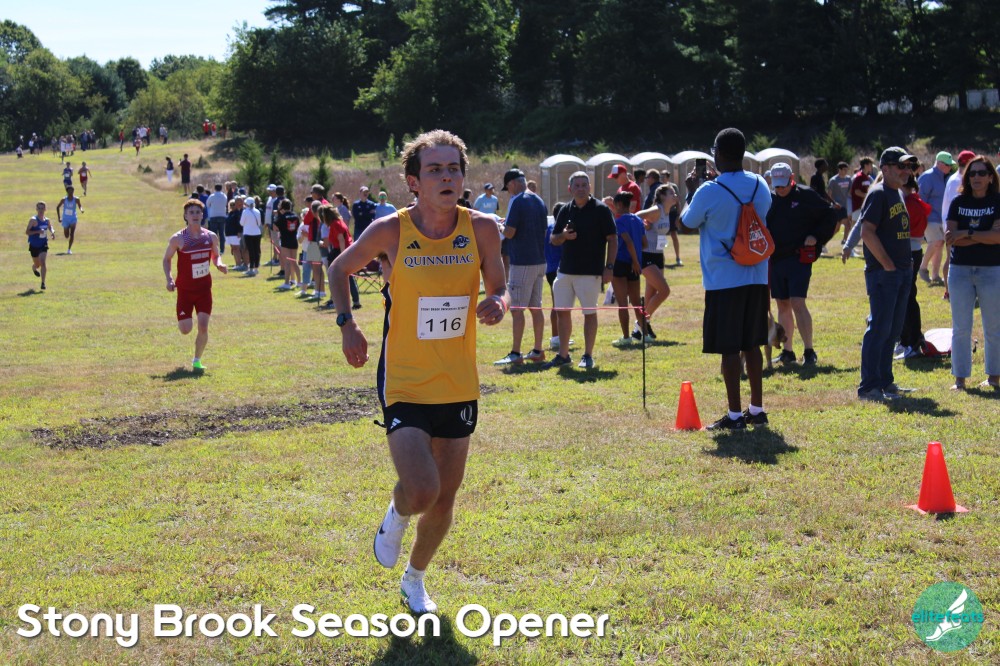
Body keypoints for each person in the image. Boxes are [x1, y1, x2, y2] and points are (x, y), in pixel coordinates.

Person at [328, 129, 508, 615]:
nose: (447, 177)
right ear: (414, 181)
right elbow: (339, 269)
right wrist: (348, 324)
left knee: (445, 498)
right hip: (405, 377)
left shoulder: (482, 228)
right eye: (435, 170)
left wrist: (498, 302)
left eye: (454, 169)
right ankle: (398, 509)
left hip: (458, 380)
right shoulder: (391, 230)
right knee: (422, 489)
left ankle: (415, 579)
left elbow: (499, 286)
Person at [680, 127, 772, 429]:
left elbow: (687, 222)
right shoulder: (760, 184)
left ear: (717, 154)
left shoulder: (708, 190)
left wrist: (691, 191)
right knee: (753, 344)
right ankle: (756, 409)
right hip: (757, 275)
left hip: (723, 279)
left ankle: (734, 416)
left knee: (729, 348)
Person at [857, 147, 916, 402]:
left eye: (908, 167)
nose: (906, 171)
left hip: (901, 272)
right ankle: (869, 387)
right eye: (901, 166)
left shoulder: (897, 193)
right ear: (886, 168)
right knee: (879, 329)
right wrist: (888, 264)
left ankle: (885, 382)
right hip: (884, 274)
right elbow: (867, 232)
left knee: (892, 330)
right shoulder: (879, 193)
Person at [765, 162, 838, 366]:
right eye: (777, 185)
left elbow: (831, 215)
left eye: (784, 184)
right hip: (776, 259)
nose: (780, 189)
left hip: (798, 258)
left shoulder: (806, 195)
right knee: (782, 304)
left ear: (792, 179)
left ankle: (809, 351)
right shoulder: (769, 199)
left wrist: (816, 236)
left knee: (798, 302)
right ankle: (787, 351)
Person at [545, 171, 618, 370]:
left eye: (584, 185)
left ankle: (587, 355)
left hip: (590, 272)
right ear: (570, 189)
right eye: (576, 185)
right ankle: (563, 355)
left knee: (589, 313)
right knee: (562, 312)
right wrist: (563, 236)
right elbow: (553, 239)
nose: (581, 189)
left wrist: (609, 267)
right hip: (565, 271)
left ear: (590, 187)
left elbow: (613, 239)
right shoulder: (565, 210)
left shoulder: (601, 210)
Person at [943, 155, 1000, 391]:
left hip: (992, 270)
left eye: (981, 173)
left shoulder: (997, 201)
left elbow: (998, 238)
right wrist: (983, 235)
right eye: (972, 173)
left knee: (993, 327)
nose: (976, 177)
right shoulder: (958, 202)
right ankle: (960, 379)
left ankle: (994, 377)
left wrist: (966, 233)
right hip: (960, 270)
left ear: (990, 177)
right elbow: (951, 238)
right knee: (961, 327)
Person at [162, 200, 228, 371]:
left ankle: (197, 360)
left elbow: (215, 255)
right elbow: (166, 259)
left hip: (204, 290)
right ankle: (185, 322)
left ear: (202, 215)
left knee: (203, 326)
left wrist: (219, 264)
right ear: (185, 216)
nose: (195, 215)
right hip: (185, 290)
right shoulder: (178, 239)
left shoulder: (211, 236)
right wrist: (169, 279)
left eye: (198, 212)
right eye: (191, 212)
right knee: (185, 329)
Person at [495, 168, 548, 365]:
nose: (508, 191)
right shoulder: (539, 200)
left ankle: (516, 353)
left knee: (517, 309)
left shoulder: (518, 201)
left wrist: (499, 226)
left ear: (513, 183)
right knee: (536, 308)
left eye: (508, 187)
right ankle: (537, 350)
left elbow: (509, 233)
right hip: (539, 260)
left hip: (522, 262)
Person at [634, 184, 676, 340]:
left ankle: (638, 331)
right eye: (671, 193)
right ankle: (642, 323)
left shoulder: (667, 211)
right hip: (646, 255)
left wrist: (662, 254)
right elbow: (636, 216)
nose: (675, 195)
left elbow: (661, 236)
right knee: (664, 291)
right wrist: (643, 225)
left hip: (658, 255)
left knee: (650, 295)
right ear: (663, 196)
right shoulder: (656, 210)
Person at [898, 169, 930, 359]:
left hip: (908, 251)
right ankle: (906, 340)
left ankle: (913, 342)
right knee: (906, 296)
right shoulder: (915, 200)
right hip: (914, 250)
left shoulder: (908, 203)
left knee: (907, 298)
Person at [608, 192, 646, 347]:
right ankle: (645, 334)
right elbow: (644, 243)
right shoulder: (638, 220)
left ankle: (626, 337)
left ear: (618, 205)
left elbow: (628, 241)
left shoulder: (618, 221)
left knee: (623, 303)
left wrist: (634, 260)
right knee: (637, 302)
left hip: (621, 263)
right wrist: (636, 260)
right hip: (633, 265)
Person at [916, 152, 954, 285]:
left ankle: (935, 276)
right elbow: (921, 198)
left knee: (940, 244)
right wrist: (924, 216)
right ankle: (922, 268)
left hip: (941, 217)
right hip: (930, 217)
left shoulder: (945, 177)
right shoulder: (927, 177)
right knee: (936, 241)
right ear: (940, 164)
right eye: (948, 165)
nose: (950, 168)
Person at [320, 204, 360, 310]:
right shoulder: (340, 222)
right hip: (346, 250)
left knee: (337, 276)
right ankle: (355, 301)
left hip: (341, 251)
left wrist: (342, 256)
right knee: (349, 277)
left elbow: (341, 240)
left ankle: (336, 301)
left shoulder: (335, 224)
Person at [274, 199, 302, 291]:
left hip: (285, 241)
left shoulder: (282, 217)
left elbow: (275, 227)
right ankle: (299, 281)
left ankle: (287, 283)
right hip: (294, 240)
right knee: (294, 262)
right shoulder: (295, 216)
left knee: (287, 262)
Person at [26, 201, 54, 291]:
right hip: (34, 245)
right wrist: (37, 231)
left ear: (45, 209)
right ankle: (34, 268)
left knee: (43, 263)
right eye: (39, 208)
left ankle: (43, 283)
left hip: (43, 244)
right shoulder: (33, 220)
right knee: (37, 265)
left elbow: (50, 226)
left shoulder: (47, 220)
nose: (41, 210)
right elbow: (27, 232)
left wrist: (52, 232)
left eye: (42, 208)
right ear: (36, 209)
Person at [827, 161, 853, 244]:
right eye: (844, 169)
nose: (846, 171)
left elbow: (850, 191)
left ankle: (844, 241)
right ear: (839, 170)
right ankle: (824, 241)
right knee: (839, 228)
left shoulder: (848, 179)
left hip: (844, 206)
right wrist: (834, 203)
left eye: (847, 169)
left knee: (846, 225)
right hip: (837, 207)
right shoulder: (833, 180)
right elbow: (829, 194)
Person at [56, 186, 83, 255]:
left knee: (72, 233)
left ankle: (69, 249)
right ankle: (67, 235)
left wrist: (81, 210)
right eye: (69, 191)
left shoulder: (76, 199)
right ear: (67, 191)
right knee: (66, 235)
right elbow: (58, 207)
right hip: (65, 218)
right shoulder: (64, 199)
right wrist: (59, 217)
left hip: (73, 218)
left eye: (72, 190)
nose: (71, 192)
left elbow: (80, 206)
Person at [240, 196, 263, 276]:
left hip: (248, 233)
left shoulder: (245, 212)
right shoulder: (257, 211)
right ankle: (256, 268)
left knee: (251, 251)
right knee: (257, 251)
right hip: (257, 233)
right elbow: (259, 223)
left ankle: (251, 268)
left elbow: (241, 223)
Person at [205, 184, 229, 254]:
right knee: (221, 233)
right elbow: (226, 204)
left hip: (213, 215)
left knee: (214, 233)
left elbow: (207, 204)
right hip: (222, 215)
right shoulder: (224, 196)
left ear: (215, 188)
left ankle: (214, 248)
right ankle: (222, 249)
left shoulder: (212, 196)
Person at [224, 197, 246, 271]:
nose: (232, 206)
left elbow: (239, 224)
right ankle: (237, 264)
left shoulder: (237, 213)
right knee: (234, 249)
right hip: (229, 234)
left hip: (235, 233)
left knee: (237, 249)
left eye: (234, 204)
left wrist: (239, 231)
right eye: (231, 205)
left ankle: (239, 264)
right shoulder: (230, 213)